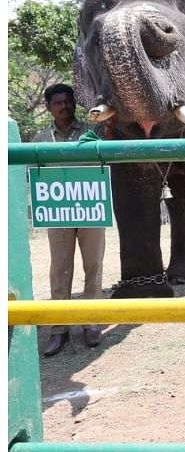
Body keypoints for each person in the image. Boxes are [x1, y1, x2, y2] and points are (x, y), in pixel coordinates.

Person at [33, 83, 106, 357]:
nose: (64, 107)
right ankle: (59, 328)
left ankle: (91, 322)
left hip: (90, 207)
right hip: (58, 211)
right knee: (60, 269)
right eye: (58, 103)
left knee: (94, 265)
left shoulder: (92, 131)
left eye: (68, 101)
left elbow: (105, 156)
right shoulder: (41, 140)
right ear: (48, 107)